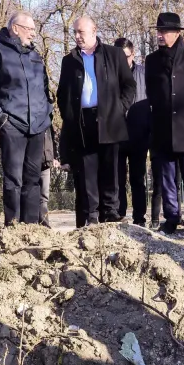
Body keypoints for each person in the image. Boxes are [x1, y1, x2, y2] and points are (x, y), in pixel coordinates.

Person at [57, 16, 135, 227]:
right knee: (87, 171)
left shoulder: (114, 54)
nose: (77, 36)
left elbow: (129, 86)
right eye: (74, 32)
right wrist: (70, 116)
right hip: (83, 123)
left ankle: (110, 212)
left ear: (94, 30)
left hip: (110, 119)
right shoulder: (69, 60)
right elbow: (62, 94)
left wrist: (119, 109)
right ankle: (91, 215)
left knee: (111, 169)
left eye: (81, 32)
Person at [0, 11, 52, 226]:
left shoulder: (35, 56)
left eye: (35, 30)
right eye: (30, 29)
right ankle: (13, 225)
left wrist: (47, 114)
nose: (34, 35)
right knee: (13, 179)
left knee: (33, 179)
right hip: (12, 125)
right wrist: (2, 120)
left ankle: (31, 227)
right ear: (15, 28)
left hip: (37, 126)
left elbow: (45, 90)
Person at [145, 12, 184, 237]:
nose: (159, 35)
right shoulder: (152, 60)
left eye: (163, 31)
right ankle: (171, 217)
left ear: (176, 33)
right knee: (167, 177)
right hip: (163, 128)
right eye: (158, 31)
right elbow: (151, 92)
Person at [113, 37, 160, 227]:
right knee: (117, 179)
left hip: (139, 134)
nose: (123, 61)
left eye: (127, 56)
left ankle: (139, 217)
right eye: (119, 57)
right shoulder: (108, 75)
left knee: (138, 178)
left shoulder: (144, 74)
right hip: (116, 134)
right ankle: (119, 214)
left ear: (133, 54)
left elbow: (153, 101)